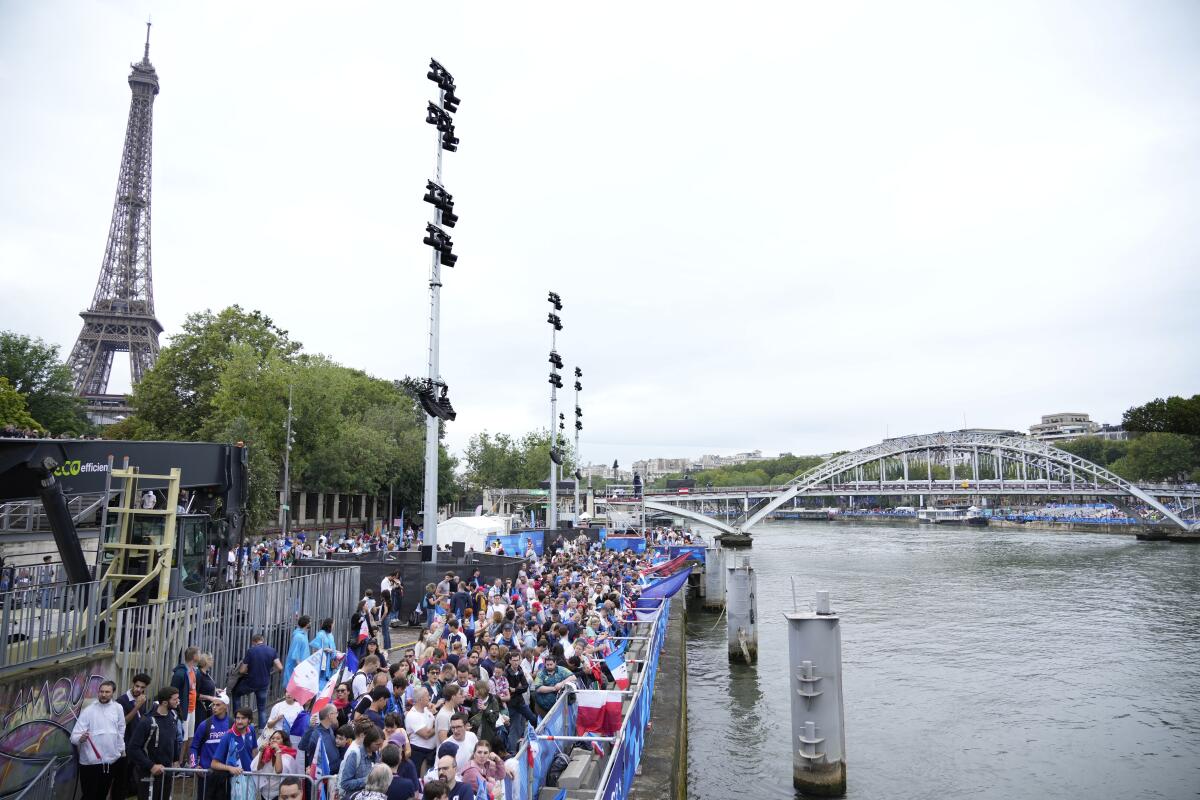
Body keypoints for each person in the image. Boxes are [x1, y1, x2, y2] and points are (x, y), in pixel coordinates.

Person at [70, 680, 125, 800]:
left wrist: (120, 749)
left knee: (102, 794)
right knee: (89, 796)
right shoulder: (89, 710)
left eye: (107, 692)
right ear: (98, 692)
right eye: (101, 691)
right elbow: (74, 737)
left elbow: (121, 729)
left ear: (112, 693)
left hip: (110, 762)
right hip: (90, 763)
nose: (103, 694)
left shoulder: (118, 708)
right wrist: (81, 738)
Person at [128, 687, 181, 800]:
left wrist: (176, 759)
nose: (178, 701)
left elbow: (174, 739)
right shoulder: (147, 721)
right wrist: (151, 766)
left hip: (167, 773)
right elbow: (133, 748)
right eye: (175, 699)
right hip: (149, 775)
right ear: (165, 702)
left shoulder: (173, 716)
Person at [115, 673, 151, 799]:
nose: (139, 690)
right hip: (123, 746)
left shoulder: (141, 699)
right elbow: (123, 722)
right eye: (137, 686)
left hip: (134, 746)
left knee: (131, 776)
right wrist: (137, 707)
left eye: (142, 688)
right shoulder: (121, 701)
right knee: (121, 779)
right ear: (132, 684)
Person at [189, 691, 232, 799]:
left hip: (226, 775)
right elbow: (194, 747)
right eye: (213, 704)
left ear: (226, 707)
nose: (214, 707)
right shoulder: (204, 725)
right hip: (206, 774)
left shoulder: (232, 724)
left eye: (218, 705)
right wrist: (194, 766)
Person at [210, 707, 257, 800]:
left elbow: (254, 751)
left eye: (243, 718)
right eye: (237, 718)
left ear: (249, 720)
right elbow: (214, 764)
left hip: (251, 778)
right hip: (235, 780)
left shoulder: (251, 730)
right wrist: (230, 768)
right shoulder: (227, 736)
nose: (239, 721)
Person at [237, 634, 282, 729]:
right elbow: (280, 667)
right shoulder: (272, 650)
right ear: (263, 640)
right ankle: (262, 730)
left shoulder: (251, 651)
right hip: (264, 683)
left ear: (253, 642)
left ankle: (237, 720)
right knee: (261, 708)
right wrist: (270, 671)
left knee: (236, 693)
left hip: (251, 682)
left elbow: (242, 670)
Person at [251, 728, 301, 800]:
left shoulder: (288, 756)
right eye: (272, 738)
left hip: (279, 793)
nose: (274, 740)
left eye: (278, 738)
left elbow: (278, 770)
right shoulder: (266, 752)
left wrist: (278, 751)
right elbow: (258, 767)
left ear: (283, 742)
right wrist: (261, 751)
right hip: (265, 793)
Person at [338, 723, 384, 796]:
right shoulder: (355, 754)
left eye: (381, 744)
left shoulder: (377, 755)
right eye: (377, 744)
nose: (380, 747)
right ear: (369, 741)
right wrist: (367, 780)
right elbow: (345, 783)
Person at [170, 647, 201, 755]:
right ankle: (179, 763)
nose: (200, 655)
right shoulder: (181, 673)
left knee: (190, 736)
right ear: (194, 657)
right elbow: (173, 691)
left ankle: (187, 762)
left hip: (192, 708)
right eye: (199, 653)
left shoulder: (194, 671)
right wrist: (178, 709)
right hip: (184, 709)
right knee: (183, 738)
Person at [299, 704, 342, 777]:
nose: (337, 715)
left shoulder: (329, 728)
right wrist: (310, 728)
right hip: (321, 779)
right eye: (336, 713)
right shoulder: (315, 733)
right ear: (330, 715)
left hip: (333, 775)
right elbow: (302, 746)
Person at [403, 687, 437, 775]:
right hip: (418, 754)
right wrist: (437, 726)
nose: (429, 698)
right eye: (427, 696)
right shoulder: (412, 715)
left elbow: (434, 722)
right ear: (420, 699)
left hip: (431, 753)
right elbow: (426, 734)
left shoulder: (427, 711)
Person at [282, 615, 312, 688]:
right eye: (310, 622)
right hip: (296, 669)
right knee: (293, 691)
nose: (311, 623)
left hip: (300, 668)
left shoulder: (303, 634)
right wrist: (301, 668)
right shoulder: (299, 636)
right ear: (307, 624)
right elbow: (296, 654)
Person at [311, 618, 338, 688]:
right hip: (322, 660)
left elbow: (333, 646)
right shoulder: (320, 634)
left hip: (331, 660)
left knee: (329, 678)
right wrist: (324, 650)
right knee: (321, 678)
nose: (334, 625)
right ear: (330, 624)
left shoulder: (330, 635)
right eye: (333, 624)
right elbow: (315, 649)